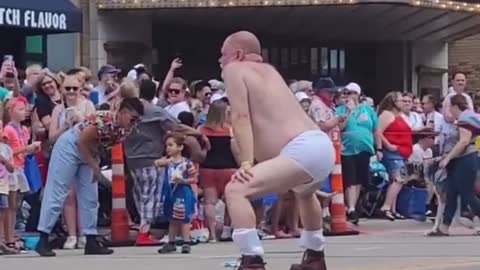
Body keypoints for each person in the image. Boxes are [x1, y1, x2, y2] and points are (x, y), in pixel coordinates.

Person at [219, 31, 335, 270]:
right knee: (304, 193)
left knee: (236, 189)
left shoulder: (234, 70)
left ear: (238, 54)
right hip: (320, 145)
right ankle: (315, 257)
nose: (220, 60)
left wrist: (246, 164)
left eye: (223, 54)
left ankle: (252, 260)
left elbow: (241, 117)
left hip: (301, 148)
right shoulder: (271, 71)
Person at [35, 97, 144, 257]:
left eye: (137, 121)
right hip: (70, 147)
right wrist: (96, 169)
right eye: (132, 119)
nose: (133, 123)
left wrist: (95, 164)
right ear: (122, 112)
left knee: (90, 196)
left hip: (89, 152)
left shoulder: (124, 129)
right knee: (58, 191)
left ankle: (90, 239)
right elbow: (81, 142)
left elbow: (101, 146)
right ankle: (43, 238)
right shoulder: (104, 120)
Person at [48, 75, 96, 249]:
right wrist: (66, 126)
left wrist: (81, 122)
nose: (71, 92)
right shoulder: (58, 109)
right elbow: (51, 137)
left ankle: (86, 233)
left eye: (74, 88)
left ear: (80, 89)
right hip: (64, 155)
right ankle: (72, 234)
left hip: (84, 154)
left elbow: (94, 129)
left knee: (85, 194)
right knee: (68, 195)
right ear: (62, 90)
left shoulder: (88, 105)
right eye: (67, 88)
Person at [428, 94, 480, 236]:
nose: (448, 109)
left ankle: (445, 226)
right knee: (451, 192)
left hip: (465, 159)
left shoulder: (464, 119)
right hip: (460, 159)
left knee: (467, 193)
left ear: (455, 106)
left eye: (449, 106)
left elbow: (464, 141)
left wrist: (448, 157)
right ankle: (444, 227)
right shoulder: (470, 117)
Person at [336, 82, 378, 225]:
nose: (348, 96)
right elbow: (340, 127)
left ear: (359, 95)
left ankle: (354, 205)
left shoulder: (367, 109)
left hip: (365, 147)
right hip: (347, 148)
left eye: (352, 93)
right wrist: (348, 111)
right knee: (350, 179)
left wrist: (379, 148)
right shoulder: (341, 110)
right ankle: (351, 208)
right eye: (346, 93)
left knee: (360, 179)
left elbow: (375, 129)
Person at [4, 97, 41, 251]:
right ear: (10, 111)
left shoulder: (24, 130)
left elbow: (22, 151)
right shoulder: (8, 130)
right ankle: (7, 236)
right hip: (9, 170)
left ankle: (11, 233)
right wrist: (27, 149)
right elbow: (6, 152)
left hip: (20, 169)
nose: (24, 112)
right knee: (9, 205)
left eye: (24, 109)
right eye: (20, 109)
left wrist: (31, 149)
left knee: (16, 205)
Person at [156, 133, 197, 254]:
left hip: (182, 192)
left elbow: (194, 178)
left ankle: (186, 242)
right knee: (172, 219)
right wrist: (163, 162)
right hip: (169, 193)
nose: (168, 148)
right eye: (166, 145)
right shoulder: (167, 162)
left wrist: (183, 181)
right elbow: (157, 163)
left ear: (180, 147)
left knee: (184, 219)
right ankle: (171, 242)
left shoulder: (187, 163)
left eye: (171, 145)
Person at [376, 92, 413, 221]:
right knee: (398, 178)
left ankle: (393, 208)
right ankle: (385, 207)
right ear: (393, 102)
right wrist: (385, 146)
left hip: (402, 151)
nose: (403, 103)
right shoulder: (387, 114)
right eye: (400, 100)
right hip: (393, 151)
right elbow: (378, 131)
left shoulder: (400, 116)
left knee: (396, 181)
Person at [0, 120, 16, 254]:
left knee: (3, 211)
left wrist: (4, 159)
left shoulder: (6, 149)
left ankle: (2, 241)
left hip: (3, 186)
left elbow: (11, 169)